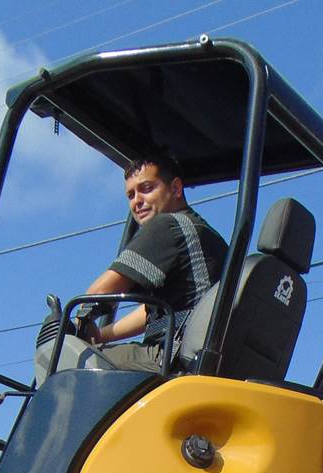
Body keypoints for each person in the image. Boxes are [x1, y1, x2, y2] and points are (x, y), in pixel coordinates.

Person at [78, 152, 228, 372]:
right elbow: (152, 313)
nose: (137, 201)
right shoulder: (206, 235)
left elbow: (97, 294)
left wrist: (80, 318)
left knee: (72, 360)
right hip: (194, 355)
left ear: (176, 188)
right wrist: (101, 335)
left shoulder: (167, 227)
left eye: (146, 188)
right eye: (130, 195)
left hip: (172, 356)